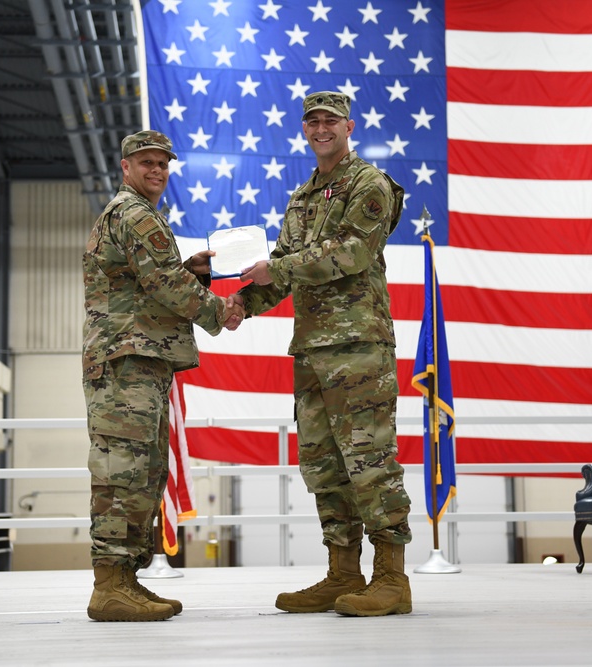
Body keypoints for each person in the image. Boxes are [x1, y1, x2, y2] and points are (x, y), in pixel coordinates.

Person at [233, 92, 412, 617]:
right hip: (312, 349)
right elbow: (284, 267)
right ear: (304, 130)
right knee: (324, 465)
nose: (320, 128)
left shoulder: (369, 184)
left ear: (349, 126)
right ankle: (342, 574)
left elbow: (355, 251)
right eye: (312, 122)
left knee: (369, 460)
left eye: (330, 120)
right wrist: (236, 302)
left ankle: (392, 579)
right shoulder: (302, 197)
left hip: (357, 347)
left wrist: (277, 270)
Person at [82, 130, 243, 622]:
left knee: (145, 474)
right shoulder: (133, 213)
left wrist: (187, 268)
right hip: (125, 360)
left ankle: (126, 578)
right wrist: (220, 311)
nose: (156, 170)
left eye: (163, 163)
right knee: (121, 472)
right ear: (126, 166)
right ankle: (109, 583)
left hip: (141, 359)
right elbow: (161, 282)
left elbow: (150, 280)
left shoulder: (142, 215)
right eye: (146, 162)